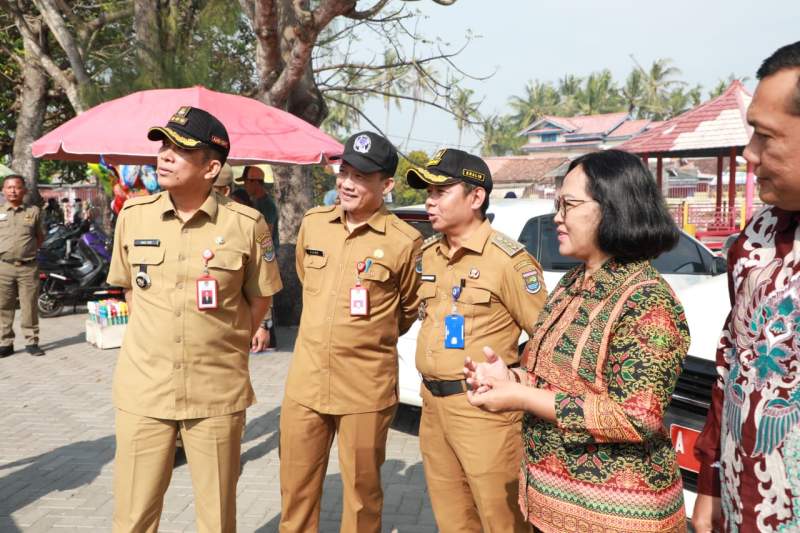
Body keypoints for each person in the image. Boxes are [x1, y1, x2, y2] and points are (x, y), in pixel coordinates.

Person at [464, 149, 689, 533]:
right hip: (552, 507)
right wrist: (511, 378)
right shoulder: (573, 282)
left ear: (613, 208)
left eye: (568, 205)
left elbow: (635, 417)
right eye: (557, 204)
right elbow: (553, 378)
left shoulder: (646, 300)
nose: (557, 217)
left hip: (616, 517)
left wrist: (521, 398)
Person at [107, 105, 282, 533]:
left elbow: (259, 301)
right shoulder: (133, 216)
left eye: (180, 149)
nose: (165, 155)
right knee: (133, 516)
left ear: (212, 167)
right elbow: (131, 289)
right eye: (163, 145)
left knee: (217, 517)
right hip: (145, 391)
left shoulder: (247, 225)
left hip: (216, 394)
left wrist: (219, 344)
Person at [279, 131, 422, 533]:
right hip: (306, 384)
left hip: (364, 388)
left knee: (361, 495)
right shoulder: (314, 225)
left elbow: (407, 309)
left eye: (360, 176)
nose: (346, 183)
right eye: (343, 171)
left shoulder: (404, 241)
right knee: (296, 489)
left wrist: (364, 337)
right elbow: (310, 284)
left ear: (386, 185)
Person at [405, 148, 546, 532]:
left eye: (440, 191)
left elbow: (547, 339)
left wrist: (515, 382)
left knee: (501, 521)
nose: (429, 201)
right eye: (427, 192)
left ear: (476, 197)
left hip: (485, 413)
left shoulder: (508, 261)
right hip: (433, 407)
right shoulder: (429, 254)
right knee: (452, 519)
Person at [693, 41, 800, 533]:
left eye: (764, 136)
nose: (748, 155)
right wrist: (711, 485)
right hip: (742, 509)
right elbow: (729, 365)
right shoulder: (754, 237)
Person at [0, 175, 45, 358]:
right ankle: (5, 342)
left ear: (24, 190)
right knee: (4, 306)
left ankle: (31, 341)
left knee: (29, 306)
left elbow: (39, 237)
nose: (12, 191)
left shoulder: (34, 211)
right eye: (9, 187)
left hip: (28, 267)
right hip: (4, 267)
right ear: (3, 190)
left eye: (16, 187)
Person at [242, 165, 279, 250]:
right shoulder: (254, 202)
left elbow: (267, 235)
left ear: (256, 182)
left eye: (246, 182)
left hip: (266, 254)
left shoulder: (268, 205)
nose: (244, 186)